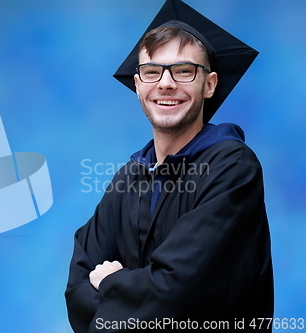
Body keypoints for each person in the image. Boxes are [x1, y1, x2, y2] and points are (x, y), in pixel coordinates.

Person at [64, 0, 274, 332]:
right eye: (152, 71)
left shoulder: (233, 168)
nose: (165, 83)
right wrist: (132, 293)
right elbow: (77, 287)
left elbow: (179, 295)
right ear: (137, 86)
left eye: (184, 70)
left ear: (209, 84)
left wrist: (111, 282)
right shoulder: (129, 178)